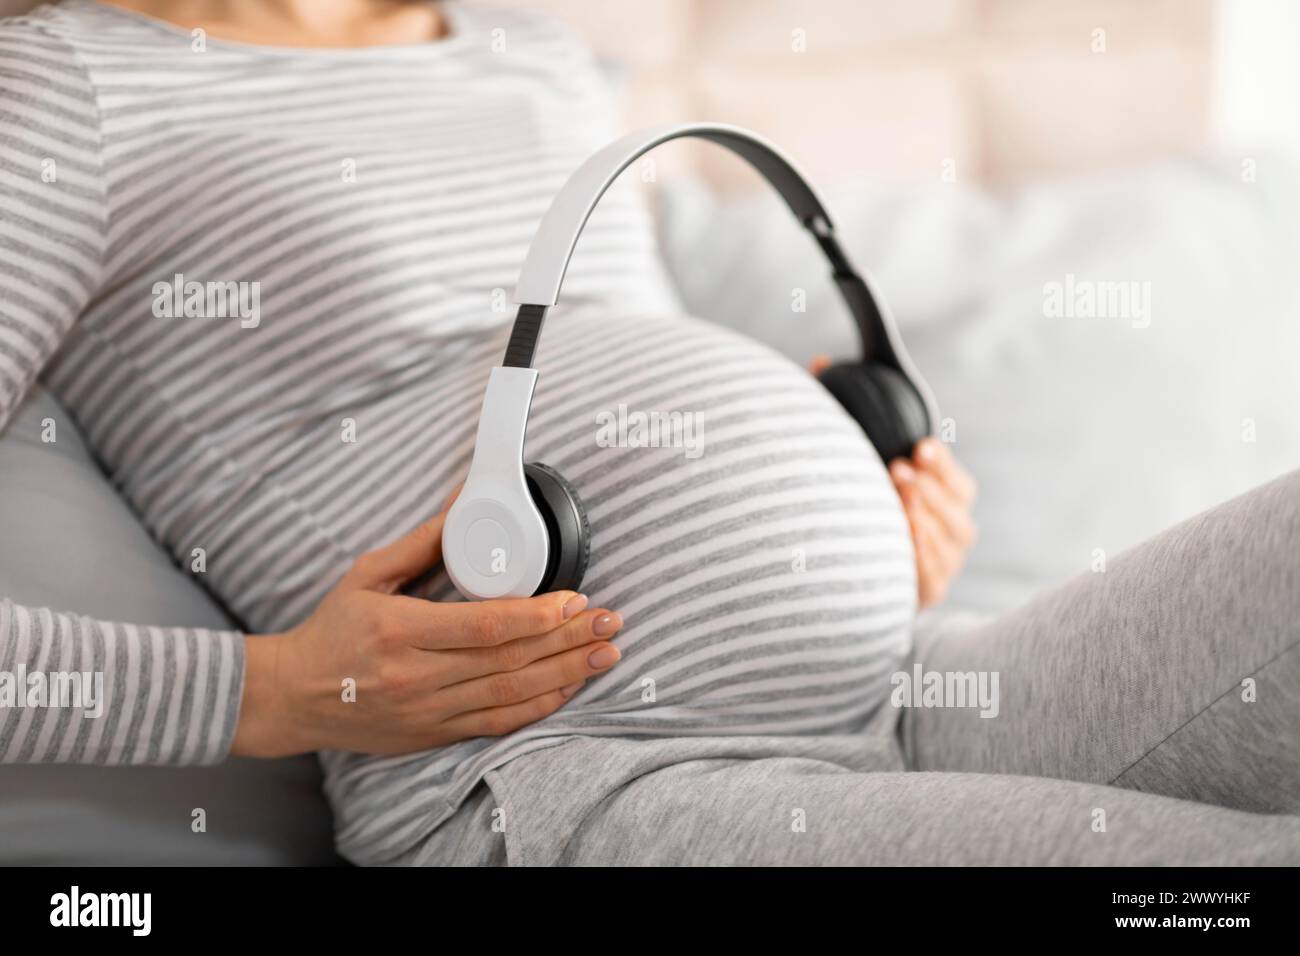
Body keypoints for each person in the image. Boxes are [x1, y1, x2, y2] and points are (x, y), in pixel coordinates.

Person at [0, 0, 1295, 866]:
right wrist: (273, 693)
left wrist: (841, 517)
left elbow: (615, 378)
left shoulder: (528, 52)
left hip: (902, 680)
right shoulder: (63, 85)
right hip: (565, 784)